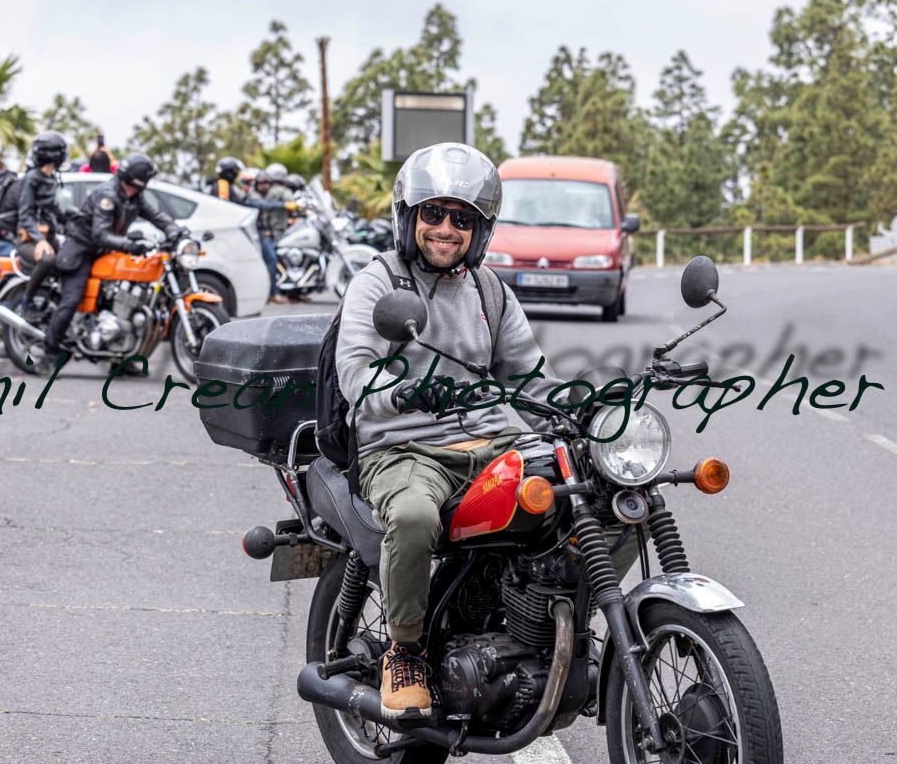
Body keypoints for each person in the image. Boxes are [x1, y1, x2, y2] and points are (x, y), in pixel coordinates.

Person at [334, 142, 636, 719]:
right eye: (434, 213)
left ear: (481, 228)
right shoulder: (378, 283)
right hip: (403, 445)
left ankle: (547, 624)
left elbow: (529, 378)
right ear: (409, 217)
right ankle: (405, 649)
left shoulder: (489, 291)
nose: (446, 229)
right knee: (415, 516)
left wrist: (589, 403)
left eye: (462, 218)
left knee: (603, 494)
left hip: (492, 442)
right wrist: (400, 390)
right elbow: (355, 372)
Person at [38, 153, 185, 374]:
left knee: (120, 300)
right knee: (72, 300)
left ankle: (120, 360)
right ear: (137, 180)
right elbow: (101, 235)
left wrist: (174, 230)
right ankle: (49, 355)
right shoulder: (107, 195)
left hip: (105, 252)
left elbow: (156, 215)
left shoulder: (134, 196)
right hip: (82, 251)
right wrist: (130, 245)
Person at [13, 132, 70, 316]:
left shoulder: (52, 178)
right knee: (48, 259)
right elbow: (25, 214)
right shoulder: (33, 178)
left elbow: (55, 210)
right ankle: (26, 301)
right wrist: (40, 240)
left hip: (50, 237)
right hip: (29, 240)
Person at [250, 171, 294, 305]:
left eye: (266, 183)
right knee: (272, 260)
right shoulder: (253, 195)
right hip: (258, 235)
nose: (264, 186)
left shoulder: (269, 196)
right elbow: (264, 205)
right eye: (261, 183)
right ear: (256, 184)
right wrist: (284, 204)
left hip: (269, 234)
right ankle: (273, 294)